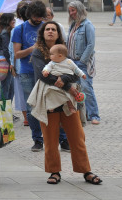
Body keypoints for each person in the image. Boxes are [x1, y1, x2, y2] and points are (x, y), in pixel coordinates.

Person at [29, 21, 102, 186]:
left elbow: (75, 73)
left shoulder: (63, 51)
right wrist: (67, 85)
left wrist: (65, 80)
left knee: (77, 137)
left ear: (58, 34)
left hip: (68, 101)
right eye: (47, 29)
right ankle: (54, 172)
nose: (50, 31)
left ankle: (86, 171)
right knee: (50, 139)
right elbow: (43, 75)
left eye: (53, 29)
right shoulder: (37, 52)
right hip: (49, 101)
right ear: (43, 33)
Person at [13, 0, 49, 151]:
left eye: (41, 17)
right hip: (27, 72)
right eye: (36, 16)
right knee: (31, 107)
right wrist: (33, 48)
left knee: (52, 105)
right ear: (29, 14)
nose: (38, 20)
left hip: (47, 71)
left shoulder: (47, 28)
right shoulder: (19, 30)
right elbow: (17, 54)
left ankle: (61, 138)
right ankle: (37, 139)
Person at [67, 1, 100, 125]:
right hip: (72, 62)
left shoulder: (87, 25)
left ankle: (94, 115)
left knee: (87, 88)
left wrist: (82, 60)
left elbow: (91, 45)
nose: (71, 13)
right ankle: (83, 114)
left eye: (73, 10)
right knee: (77, 89)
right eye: (70, 11)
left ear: (80, 10)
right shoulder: (73, 25)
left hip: (82, 63)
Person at [29, 43, 86, 116]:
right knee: (50, 91)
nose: (50, 56)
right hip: (55, 81)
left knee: (69, 95)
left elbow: (76, 69)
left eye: (51, 54)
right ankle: (50, 106)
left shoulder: (69, 62)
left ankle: (70, 106)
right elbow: (47, 67)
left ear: (60, 55)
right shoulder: (52, 63)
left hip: (68, 79)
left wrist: (82, 74)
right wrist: (45, 71)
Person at [0, 13, 16, 101]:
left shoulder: (3, 30)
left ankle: (7, 110)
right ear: (8, 21)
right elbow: (6, 49)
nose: (14, 21)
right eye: (12, 19)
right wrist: (11, 63)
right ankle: (4, 111)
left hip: (4, 60)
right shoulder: (6, 32)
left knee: (10, 87)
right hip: (5, 61)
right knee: (6, 87)